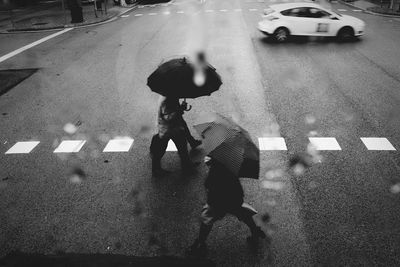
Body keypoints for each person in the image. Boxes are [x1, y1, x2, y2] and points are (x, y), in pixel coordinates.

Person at [187, 156, 267, 257]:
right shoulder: (232, 164)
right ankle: (255, 231)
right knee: (243, 213)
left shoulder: (216, 169)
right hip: (234, 198)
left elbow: (208, 184)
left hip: (218, 201)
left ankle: (200, 242)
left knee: (207, 218)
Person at [150, 96, 198, 176]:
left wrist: (180, 108)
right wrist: (180, 109)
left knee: (182, 148)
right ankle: (156, 170)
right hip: (168, 129)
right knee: (161, 150)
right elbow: (168, 117)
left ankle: (187, 167)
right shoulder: (167, 100)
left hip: (174, 128)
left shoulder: (170, 97)